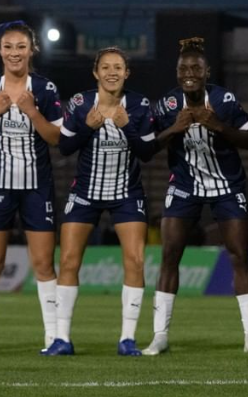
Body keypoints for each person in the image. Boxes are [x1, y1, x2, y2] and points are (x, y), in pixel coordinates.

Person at [143, 37, 248, 355]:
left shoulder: (224, 100)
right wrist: (173, 130)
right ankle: (160, 336)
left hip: (227, 186)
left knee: (239, 255)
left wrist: (219, 126)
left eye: (196, 68)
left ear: (206, 72)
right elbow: (146, 148)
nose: (190, 73)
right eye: (184, 68)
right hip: (185, 186)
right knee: (170, 255)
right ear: (177, 73)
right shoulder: (168, 105)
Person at [42, 47, 156, 357]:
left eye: (118, 67)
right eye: (106, 67)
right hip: (85, 193)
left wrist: (127, 126)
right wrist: (87, 127)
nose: (112, 72)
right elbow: (65, 147)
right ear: (96, 72)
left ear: (127, 73)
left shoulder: (139, 105)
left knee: (135, 261)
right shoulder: (80, 103)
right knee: (68, 261)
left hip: (127, 194)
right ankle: (62, 339)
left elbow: (148, 153)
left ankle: (127, 339)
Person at [0, 21, 63, 355]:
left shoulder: (45, 88)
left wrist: (32, 112)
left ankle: (53, 337)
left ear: (31, 50)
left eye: (21, 47)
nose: (14, 53)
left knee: (43, 264)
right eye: (8, 47)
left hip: (37, 187)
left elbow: (56, 138)